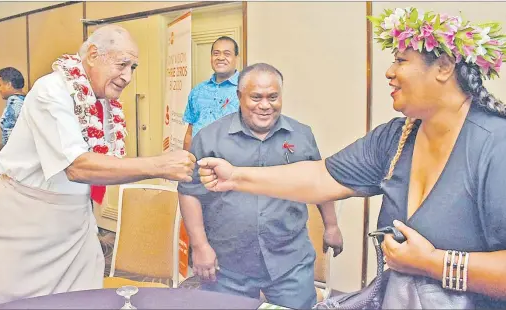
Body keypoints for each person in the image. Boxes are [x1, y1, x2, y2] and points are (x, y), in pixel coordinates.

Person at [197, 8, 506, 308]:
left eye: (400, 60)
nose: (389, 72)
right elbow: (321, 177)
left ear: (443, 67)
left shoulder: (495, 145)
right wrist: (236, 176)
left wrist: (433, 264)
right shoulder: (396, 138)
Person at [0, 25, 196, 306]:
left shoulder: (103, 103)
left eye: (133, 67)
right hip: (26, 224)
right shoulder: (51, 90)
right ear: (94, 55)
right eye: (122, 64)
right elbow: (78, 167)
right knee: (20, 301)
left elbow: (104, 163)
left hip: (74, 223)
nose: (128, 76)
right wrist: (159, 165)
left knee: (81, 297)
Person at [178, 63, 343, 309]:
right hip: (227, 264)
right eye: (256, 97)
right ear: (239, 97)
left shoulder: (301, 135)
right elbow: (189, 192)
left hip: (290, 261)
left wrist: (331, 226)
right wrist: (200, 246)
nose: (265, 105)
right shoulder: (210, 138)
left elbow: (320, 180)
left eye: (273, 97)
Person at [183, 36, 241, 151]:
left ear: (236, 58)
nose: (220, 58)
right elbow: (190, 131)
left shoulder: (246, 90)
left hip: (232, 163)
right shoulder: (198, 91)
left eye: (227, 54)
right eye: (216, 53)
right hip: (198, 162)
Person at [0, 67, 26, 188]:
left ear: (9, 84)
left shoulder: (14, 102)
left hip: (12, 152)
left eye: (0, 84)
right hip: (18, 152)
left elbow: (10, 130)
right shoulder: (24, 100)